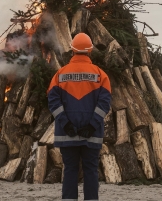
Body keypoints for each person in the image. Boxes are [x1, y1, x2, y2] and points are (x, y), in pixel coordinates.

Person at [48, 33, 110, 201]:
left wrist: (66, 124)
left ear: (72, 50)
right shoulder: (100, 75)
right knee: (90, 170)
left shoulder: (60, 75)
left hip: (66, 133)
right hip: (92, 135)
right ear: (90, 51)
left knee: (70, 170)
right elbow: (104, 104)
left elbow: (53, 102)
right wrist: (91, 126)